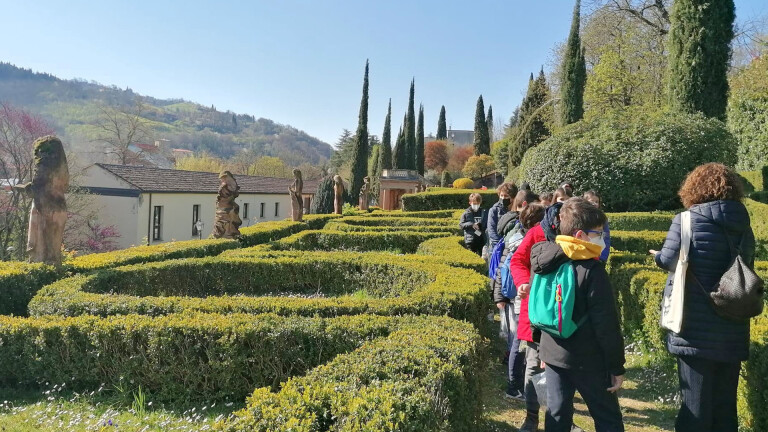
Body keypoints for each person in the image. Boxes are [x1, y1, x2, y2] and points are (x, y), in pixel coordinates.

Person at [650, 163, 755, 432]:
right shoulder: (743, 224)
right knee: (725, 407)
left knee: (694, 407)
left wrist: (658, 258)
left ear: (693, 189)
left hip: (694, 327)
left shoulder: (686, 220)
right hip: (733, 321)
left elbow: (669, 260)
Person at [532, 197, 625, 432]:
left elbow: (538, 307)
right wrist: (616, 367)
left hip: (553, 354)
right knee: (607, 418)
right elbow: (606, 324)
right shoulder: (592, 271)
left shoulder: (545, 260)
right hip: (588, 358)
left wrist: (541, 348)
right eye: (598, 233)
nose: (602, 238)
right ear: (580, 236)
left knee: (557, 416)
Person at [510, 201, 563, 432]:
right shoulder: (537, 232)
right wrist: (522, 282)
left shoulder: (577, 235)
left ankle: (562, 418)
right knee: (533, 365)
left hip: (565, 311)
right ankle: (531, 417)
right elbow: (518, 260)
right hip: (538, 310)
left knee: (562, 369)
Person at [492, 193, 541, 400]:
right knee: (518, 342)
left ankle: (519, 385)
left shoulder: (518, 235)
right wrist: (499, 296)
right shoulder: (523, 239)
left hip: (516, 296)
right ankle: (514, 386)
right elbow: (505, 266)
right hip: (518, 298)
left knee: (519, 342)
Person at [487, 182, 518, 251]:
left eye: (506, 196)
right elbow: (492, 231)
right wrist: (501, 246)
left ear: (513, 197)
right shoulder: (494, 210)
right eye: (501, 195)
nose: (503, 198)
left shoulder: (517, 209)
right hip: (497, 248)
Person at [584, 190, 611, 262]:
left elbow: (606, 238)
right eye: (592, 201)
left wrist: (603, 257)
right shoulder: (581, 217)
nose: (594, 204)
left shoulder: (602, 218)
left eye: (597, 202)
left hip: (598, 256)